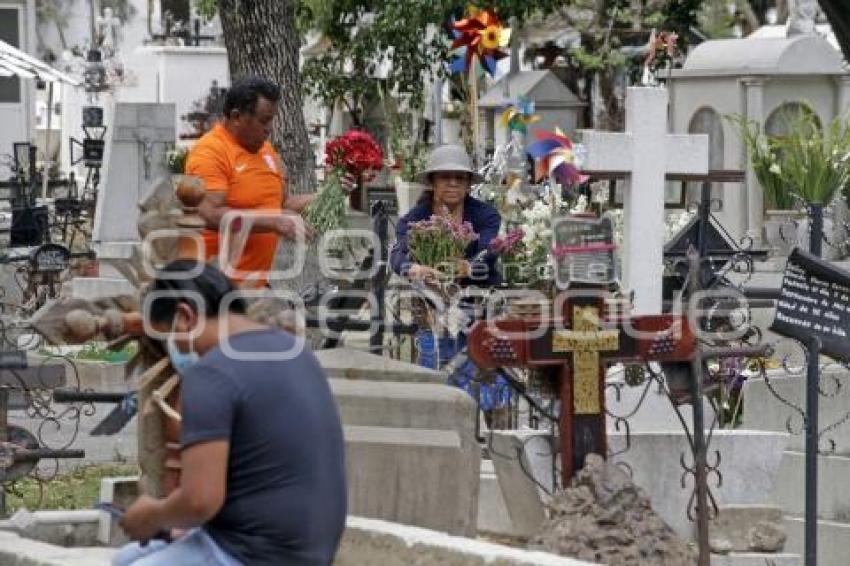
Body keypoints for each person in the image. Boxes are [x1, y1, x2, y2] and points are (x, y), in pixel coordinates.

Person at [113, 260, 347, 566]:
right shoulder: (294, 352)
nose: (173, 351)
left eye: (168, 339)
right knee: (126, 557)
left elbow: (200, 501)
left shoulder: (211, 373)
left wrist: (150, 515)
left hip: (254, 554)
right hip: (309, 550)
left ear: (185, 316)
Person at [390, 144, 511, 425]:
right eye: (445, 177)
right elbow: (397, 255)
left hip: (477, 305)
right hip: (432, 311)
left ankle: (497, 427)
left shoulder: (486, 216)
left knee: (487, 365)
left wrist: (468, 267)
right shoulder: (414, 220)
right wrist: (415, 268)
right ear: (432, 182)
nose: (453, 183)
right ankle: (441, 424)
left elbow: (489, 252)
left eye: (460, 178)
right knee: (438, 370)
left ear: (469, 184)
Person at [186, 75, 315, 287]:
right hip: (212, 288)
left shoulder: (266, 150)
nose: (270, 128)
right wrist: (274, 222)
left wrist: (329, 194)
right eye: (264, 120)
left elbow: (281, 205)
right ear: (236, 116)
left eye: (272, 119)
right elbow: (210, 214)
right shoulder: (210, 152)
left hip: (252, 287)